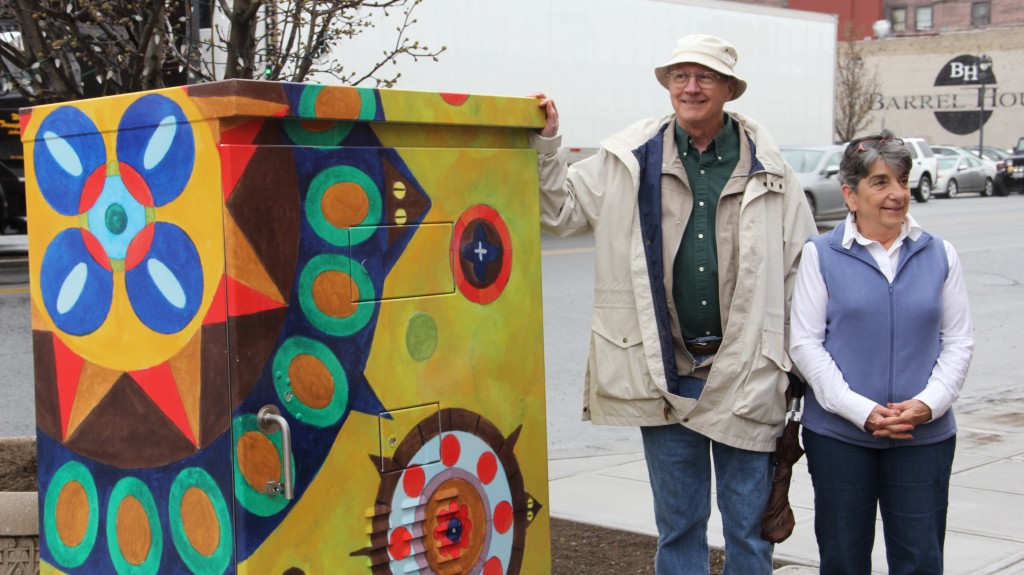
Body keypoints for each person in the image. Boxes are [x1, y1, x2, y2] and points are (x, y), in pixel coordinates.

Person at [531, 35, 817, 574]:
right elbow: (559, 212)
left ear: (729, 89)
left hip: (748, 374)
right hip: (665, 374)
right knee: (679, 528)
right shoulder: (627, 158)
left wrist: (797, 369)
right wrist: (549, 146)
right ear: (667, 85)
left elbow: (801, 269)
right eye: (680, 76)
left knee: (751, 534)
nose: (691, 87)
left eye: (705, 77)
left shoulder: (770, 166)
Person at [789, 130, 974, 574]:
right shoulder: (820, 255)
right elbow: (805, 343)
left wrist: (927, 405)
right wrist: (862, 411)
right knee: (844, 560)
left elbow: (959, 341)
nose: (897, 194)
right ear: (850, 194)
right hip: (840, 438)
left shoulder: (940, 254)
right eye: (881, 182)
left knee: (920, 560)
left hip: (922, 439)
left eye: (903, 181)